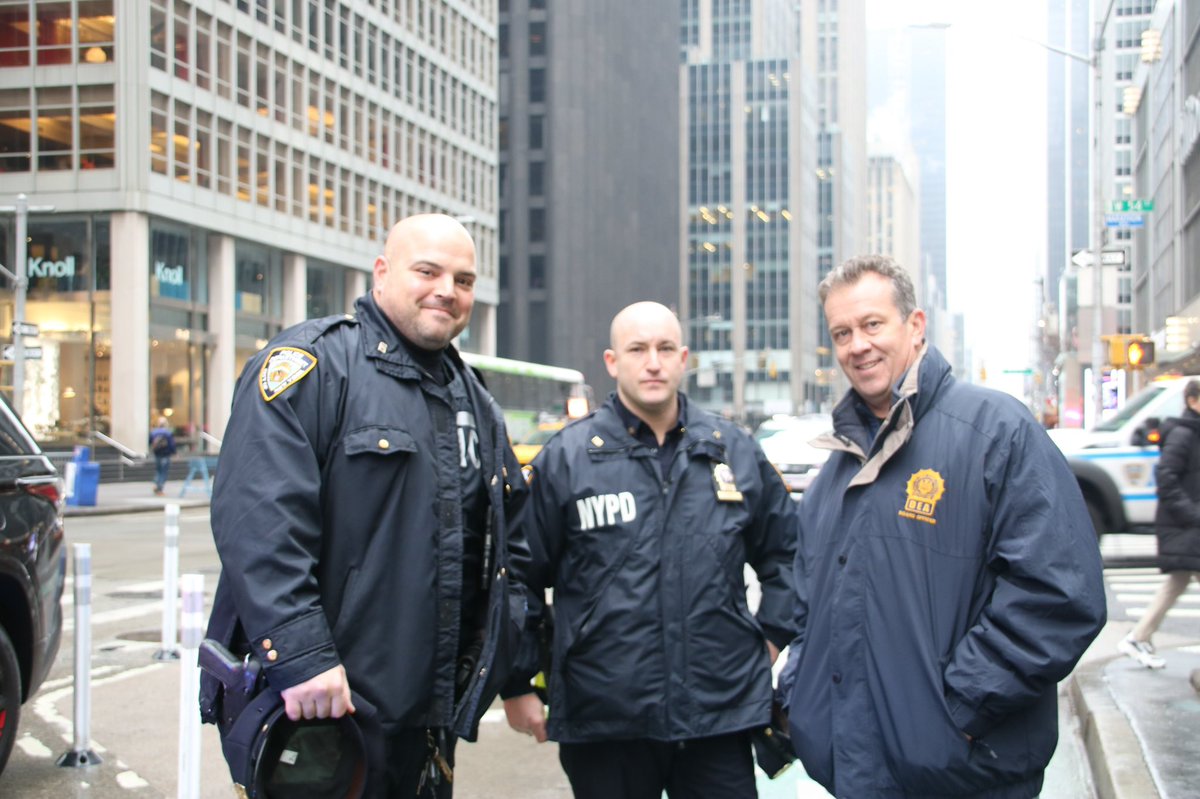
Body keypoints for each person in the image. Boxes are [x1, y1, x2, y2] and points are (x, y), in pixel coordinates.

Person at [200, 214, 532, 798]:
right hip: (323, 713)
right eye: (426, 271)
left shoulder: (476, 402)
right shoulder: (313, 366)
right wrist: (301, 658)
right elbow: (259, 523)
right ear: (382, 273)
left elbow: (503, 555)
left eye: (464, 279)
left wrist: (507, 673)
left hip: (427, 723)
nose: (446, 291)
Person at [779, 255, 1106, 798]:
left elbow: (1060, 593)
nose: (857, 345)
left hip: (965, 773)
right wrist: (801, 699)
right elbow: (808, 607)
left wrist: (954, 708)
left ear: (916, 325)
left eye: (872, 324)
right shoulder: (836, 471)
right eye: (842, 332)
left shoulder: (997, 430)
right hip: (856, 776)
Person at [502, 301, 798, 798]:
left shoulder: (733, 449)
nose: (653, 362)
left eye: (665, 349)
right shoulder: (569, 459)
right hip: (604, 718)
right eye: (637, 349)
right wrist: (515, 684)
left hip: (717, 717)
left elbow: (788, 558)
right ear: (613, 362)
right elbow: (518, 574)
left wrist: (768, 639)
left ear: (684, 358)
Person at [1118, 378, 1200, 669]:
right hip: (1183, 525)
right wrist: (1193, 515)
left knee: (1175, 583)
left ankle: (1138, 636)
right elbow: (1166, 480)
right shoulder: (1184, 434)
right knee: (1176, 583)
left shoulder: (1191, 432)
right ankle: (1137, 637)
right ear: (1192, 401)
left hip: (1185, 524)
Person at [148, 416, 176, 496]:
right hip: (165, 454)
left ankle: (156, 484)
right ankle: (159, 489)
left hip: (157, 454)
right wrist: (174, 452)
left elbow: (150, 442)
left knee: (158, 470)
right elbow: (171, 444)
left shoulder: (154, 432)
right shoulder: (168, 433)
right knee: (163, 472)